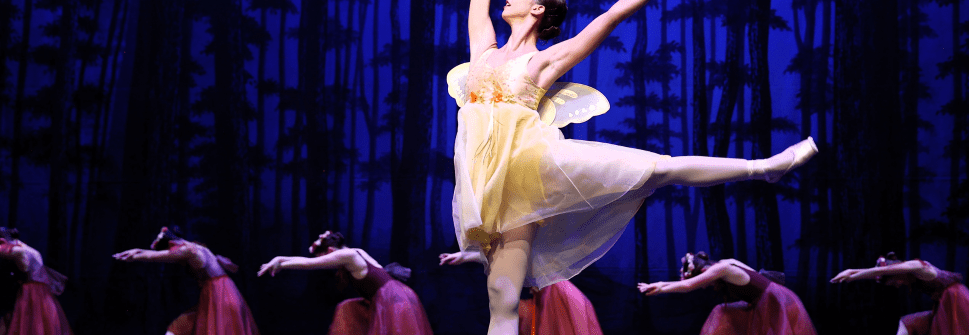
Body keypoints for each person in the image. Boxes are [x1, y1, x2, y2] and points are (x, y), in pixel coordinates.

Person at [449, 0, 819, 334]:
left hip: (531, 169)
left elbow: (610, 17)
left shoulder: (542, 61)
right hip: (486, 182)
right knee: (500, 301)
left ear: (539, 9)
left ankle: (765, 167)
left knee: (658, 168)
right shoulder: (482, 48)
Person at [259, 231, 433, 335]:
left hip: (393, 301)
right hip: (394, 296)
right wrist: (280, 260)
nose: (327, 261)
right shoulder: (357, 252)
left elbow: (308, 264)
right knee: (347, 308)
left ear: (330, 251)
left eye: (325, 256)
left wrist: (281, 262)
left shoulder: (348, 255)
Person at [112, 226, 259, 335]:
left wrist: (134, 254)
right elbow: (229, 267)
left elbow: (152, 256)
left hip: (219, 295)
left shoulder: (187, 251)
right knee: (180, 327)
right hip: (224, 291)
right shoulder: (199, 248)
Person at [639, 252, 816, 335]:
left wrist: (660, 286)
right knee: (721, 311)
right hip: (766, 298)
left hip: (774, 300)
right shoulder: (726, 263)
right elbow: (756, 275)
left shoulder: (721, 269)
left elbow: (687, 285)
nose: (706, 285)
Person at [440, 250, 603, 335]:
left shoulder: (556, 295)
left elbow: (502, 255)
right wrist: (464, 256)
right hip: (547, 291)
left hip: (557, 293)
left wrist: (465, 256)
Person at [831, 252, 969, 335]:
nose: (896, 286)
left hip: (956, 301)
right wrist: (854, 273)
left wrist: (854, 274)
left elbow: (885, 269)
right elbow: (886, 271)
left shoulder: (919, 267)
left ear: (898, 274)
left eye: (894, 282)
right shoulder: (911, 275)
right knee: (907, 323)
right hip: (943, 304)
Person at [0, 227, 72, 335]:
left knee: (29, 323)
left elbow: (24, 268)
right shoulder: (26, 247)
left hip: (30, 289)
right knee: (40, 322)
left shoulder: (15, 249)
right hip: (41, 288)